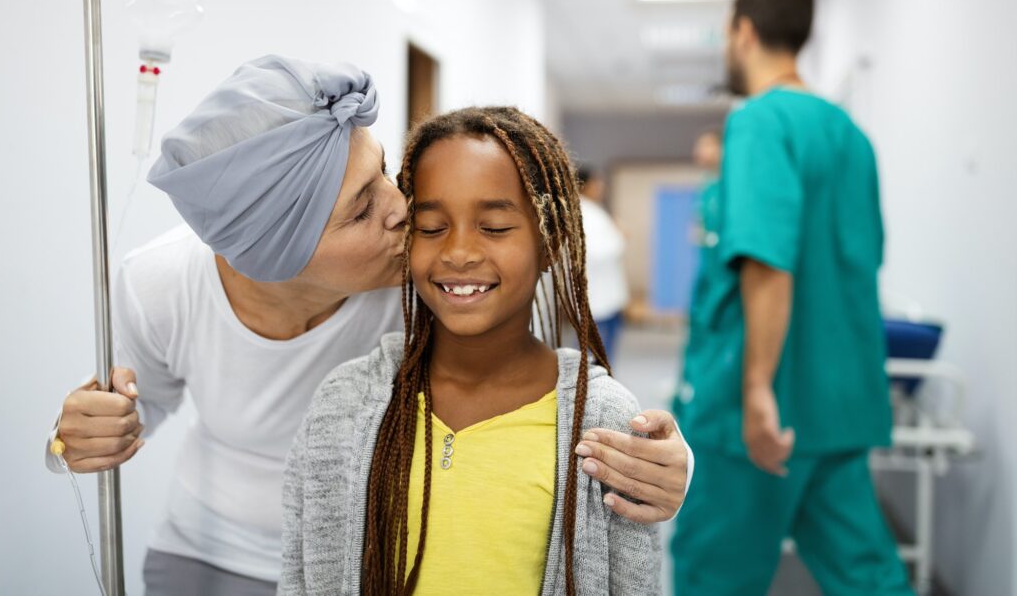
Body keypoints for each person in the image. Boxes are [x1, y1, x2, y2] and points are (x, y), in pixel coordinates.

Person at [44, 55, 691, 594]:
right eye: (361, 211)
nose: (403, 209)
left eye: (382, 172)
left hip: (371, 564)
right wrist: (76, 438)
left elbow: (536, 398)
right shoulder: (161, 284)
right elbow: (133, 409)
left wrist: (663, 458)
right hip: (211, 559)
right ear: (279, 254)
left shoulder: (427, 285)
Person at [281, 107, 662, 595]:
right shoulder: (344, 403)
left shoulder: (600, 421)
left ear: (551, 243)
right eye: (432, 227)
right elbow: (299, 575)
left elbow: (632, 582)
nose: (458, 252)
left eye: (495, 228)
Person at [671, 0, 913, 595]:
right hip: (838, 404)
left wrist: (756, 389)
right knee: (867, 575)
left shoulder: (758, 123)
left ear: (745, 32)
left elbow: (767, 261)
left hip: (756, 410)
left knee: (713, 572)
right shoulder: (851, 138)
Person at [577, 165, 630, 360]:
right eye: (597, 183)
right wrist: (620, 236)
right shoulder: (584, 214)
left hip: (604, 295)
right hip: (597, 296)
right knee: (594, 351)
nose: (601, 187)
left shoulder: (594, 211)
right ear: (586, 185)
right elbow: (596, 252)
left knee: (599, 348)